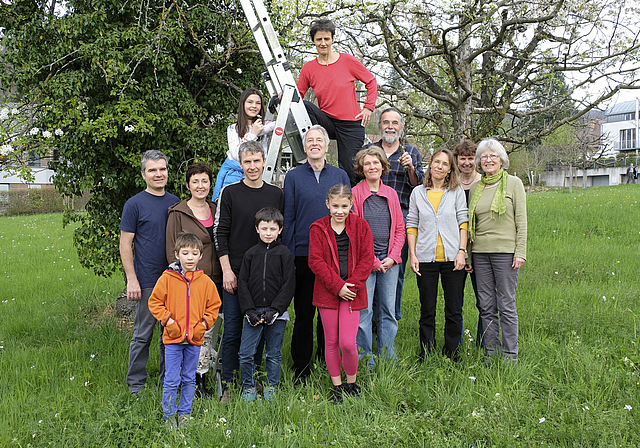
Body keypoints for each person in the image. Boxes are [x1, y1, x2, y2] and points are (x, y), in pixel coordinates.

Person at [214, 140, 284, 403]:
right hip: (235, 274)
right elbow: (219, 232)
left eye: (257, 161)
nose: (252, 166)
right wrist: (227, 271)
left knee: (261, 328)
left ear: (264, 161)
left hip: (265, 277)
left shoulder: (276, 193)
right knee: (233, 330)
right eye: (247, 162)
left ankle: (252, 380)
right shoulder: (230, 193)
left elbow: (280, 233)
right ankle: (231, 383)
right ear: (240, 164)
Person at [282, 124, 350, 383]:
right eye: (309, 140)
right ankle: (301, 367)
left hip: (334, 255)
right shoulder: (294, 177)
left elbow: (348, 216)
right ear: (305, 145)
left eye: (318, 140)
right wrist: (289, 254)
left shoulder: (340, 175)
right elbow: (288, 217)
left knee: (328, 314)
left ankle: (326, 361)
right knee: (304, 314)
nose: (314, 144)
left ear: (326, 144)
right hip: (303, 254)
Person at [119, 150, 179, 395]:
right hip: (146, 281)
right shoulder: (134, 204)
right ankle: (136, 384)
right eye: (152, 170)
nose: (158, 174)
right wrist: (131, 279)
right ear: (143, 174)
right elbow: (125, 244)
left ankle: (168, 381)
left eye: (162, 169)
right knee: (143, 334)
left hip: (174, 280)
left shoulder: (175, 203)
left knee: (171, 334)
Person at [308, 184, 374, 404]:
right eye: (335, 206)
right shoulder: (318, 228)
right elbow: (315, 261)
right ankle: (337, 386)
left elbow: (367, 259)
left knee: (347, 342)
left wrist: (351, 286)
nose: (339, 211)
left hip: (352, 293)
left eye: (344, 206)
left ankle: (351, 383)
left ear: (351, 205)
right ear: (327, 204)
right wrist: (338, 286)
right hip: (328, 292)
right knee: (332, 341)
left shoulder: (361, 226)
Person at [148, 233, 221, 428]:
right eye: (185, 253)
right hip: (173, 339)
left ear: (200, 256)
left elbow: (214, 306)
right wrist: (168, 321)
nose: (189, 257)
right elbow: (154, 302)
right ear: (176, 254)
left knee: (189, 378)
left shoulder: (205, 282)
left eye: (194, 253)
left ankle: (184, 414)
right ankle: (169, 417)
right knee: (172, 379)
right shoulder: (167, 279)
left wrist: (204, 325)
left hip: (195, 340)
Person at [296, 18, 377, 186]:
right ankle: (312, 142)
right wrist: (282, 96)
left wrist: (368, 107)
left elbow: (371, 81)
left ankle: (353, 207)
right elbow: (298, 94)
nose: (323, 43)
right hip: (327, 122)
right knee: (304, 106)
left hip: (351, 124)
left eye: (326, 38)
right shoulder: (308, 68)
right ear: (313, 41)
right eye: (319, 39)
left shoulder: (347, 60)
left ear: (333, 39)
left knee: (350, 171)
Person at [166, 162, 223, 397]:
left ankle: (205, 374)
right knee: (190, 329)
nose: (200, 185)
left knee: (209, 329)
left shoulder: (217, 207)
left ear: (210, 183)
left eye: (205, 181)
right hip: (189, 282)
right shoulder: (177, 213)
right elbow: (171, 251)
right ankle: (191, 380)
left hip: (216, 279)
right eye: (195, 181)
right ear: (188, 185)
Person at [468, 138, 527, 362]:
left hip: (506, 253)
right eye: (484, 156)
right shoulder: (476, 187)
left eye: (493, 156)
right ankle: (491, 352)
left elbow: (521, 221)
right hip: (480, 253)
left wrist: (520, 251)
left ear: (502, 160)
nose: (489, 159)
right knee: (486, 305)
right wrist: (469, 255)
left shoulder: (514, 183)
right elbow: (471, 223)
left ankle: (510, 354)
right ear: (479, 162)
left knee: (506, 304)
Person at [407, 148, 468, 361]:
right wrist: (413, 255)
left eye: (445, 164)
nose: (439, 167)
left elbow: (463, 223)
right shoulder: (417, 193)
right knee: (427, 309)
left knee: (453, 309)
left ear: (450, 169)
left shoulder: (456, 192)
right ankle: (427, 352)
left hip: (453, 259)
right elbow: (412, 225)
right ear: (430, 164)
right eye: (436, 162)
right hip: (425, 259)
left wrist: (462, 251)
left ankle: (452, 352)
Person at [352, 146, 405, 367]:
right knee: (364, 311)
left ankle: (388, 355)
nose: (372, 167)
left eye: (376, 163)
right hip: (365, 261)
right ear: (361, 168)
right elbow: (352, 231)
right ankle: (365, 359)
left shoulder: (391, 194)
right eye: (367, 163)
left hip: (389, 261)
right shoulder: (355, 194)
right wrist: (371, 260)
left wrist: (392, 257)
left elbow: (400, 228)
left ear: (383, 166)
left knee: (388, 310)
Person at [373, 107, 425, 321]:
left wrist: (410, 168)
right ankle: (373, 316)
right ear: (380, 126)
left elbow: (419, 184)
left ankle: (392, 313)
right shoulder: (370, 150)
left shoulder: (410, 151)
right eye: (386, 122)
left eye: (395, 123)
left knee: (396, 266)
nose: (390, 126)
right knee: (371, 265)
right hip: (373, 214)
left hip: (400, 216)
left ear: (401, 127)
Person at [238, 208, 295, 401]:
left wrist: (276, 310)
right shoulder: (250, 254)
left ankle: (271, 387)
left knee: (273, 353)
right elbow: (243, 283)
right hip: (253, 312)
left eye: (272, 228)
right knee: (245, 353)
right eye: (264, 228)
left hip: (276, 314)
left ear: (280, 230)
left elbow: (289, 284)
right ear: (257, 228)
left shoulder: (284, 253)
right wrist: (249, 310)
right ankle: (249, 387)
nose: (268, 233)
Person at [212, 88, 275, 201]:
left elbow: (282, 124)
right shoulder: (233, 129)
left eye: (258, 103)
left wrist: (279, 100)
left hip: (257, 173)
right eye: (250, 102)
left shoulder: (265, 126)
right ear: (243, 104)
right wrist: (253, 134)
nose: (254, 106)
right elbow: (236, 154)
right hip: (235, 175)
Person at [453, 140, 483, 346]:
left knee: (484, 300)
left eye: (470, 158)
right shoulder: (451, 183)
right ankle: (457, 343)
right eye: (462, 158)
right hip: (455, 250)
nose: (466, 163)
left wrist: (471, 253)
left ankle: (484, 341)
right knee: (456, 302)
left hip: (480, 248)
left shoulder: (483, 183)